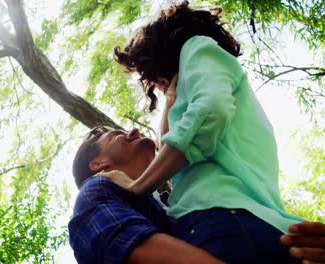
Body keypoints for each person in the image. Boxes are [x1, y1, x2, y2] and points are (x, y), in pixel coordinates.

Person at [97, 2, 306, 262]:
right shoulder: (208, 83)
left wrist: (138, 186)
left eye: (150, 75)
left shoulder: (197, 47)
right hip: (250, 227)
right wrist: (171, 100)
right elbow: (172, 160)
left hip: (223, 222)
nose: (156, 85)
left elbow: (209, 112)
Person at [69, 126, 325, 263]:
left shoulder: (168, 207)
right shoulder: (97, 190)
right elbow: (136, 251)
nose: (133, 131)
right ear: (98, 164)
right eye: (117, 136)